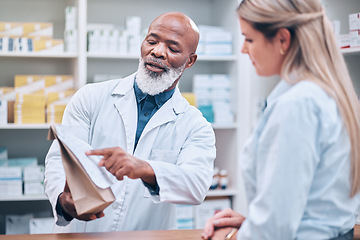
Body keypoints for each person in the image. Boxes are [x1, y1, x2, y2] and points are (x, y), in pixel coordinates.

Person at [44, 12, 216, 233]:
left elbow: (196, 184)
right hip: (82, 234)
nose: (157, 52)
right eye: (152, 41)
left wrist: (144, 168)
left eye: (172, 48)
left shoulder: (195, 125)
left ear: (190, 61)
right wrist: (64, 201)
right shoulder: (91, 97)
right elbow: (59, 159)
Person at [202, 0, 360, 239]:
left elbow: (274, 231)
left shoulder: (298, 105)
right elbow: (315, 206)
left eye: (249, 39)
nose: (244, 49)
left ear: (283, 40)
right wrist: (251, 222)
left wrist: (232, 236)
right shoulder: (327, 93)